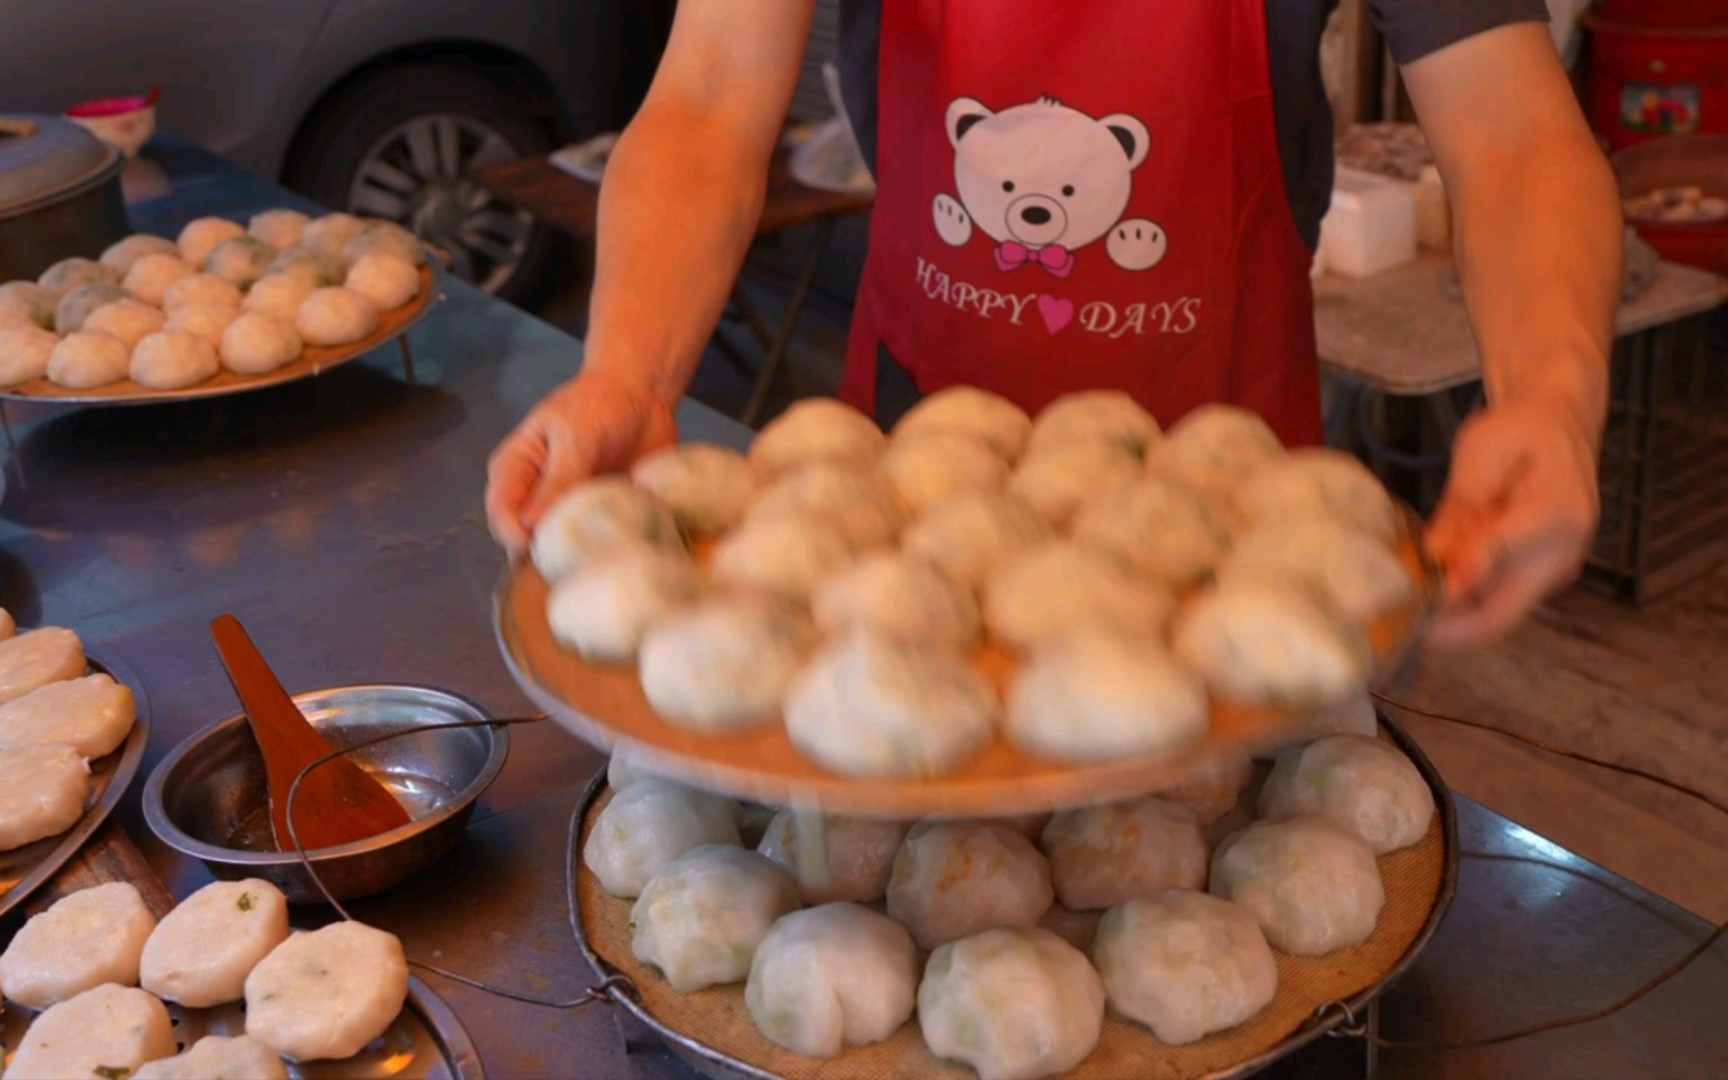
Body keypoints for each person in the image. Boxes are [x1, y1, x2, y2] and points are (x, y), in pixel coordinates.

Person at [486, 0, 1621, 646]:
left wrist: (1553, 400)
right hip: (908, 497)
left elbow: (1515, 135)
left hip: (1230, 507)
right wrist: (628, 374)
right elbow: (709, 98)